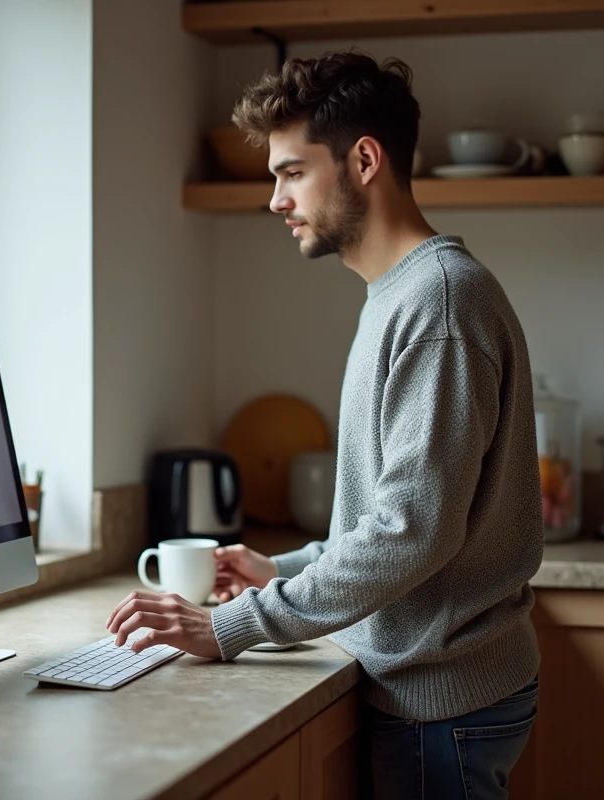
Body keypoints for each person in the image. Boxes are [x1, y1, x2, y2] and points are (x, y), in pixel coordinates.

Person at [105, 51, 543, 799]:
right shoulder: (401, 294)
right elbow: (396, 517)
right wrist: (285, 570)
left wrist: (233, 625)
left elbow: (413, 531)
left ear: (364, 160)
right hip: (435, 689)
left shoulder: (437, 303)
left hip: (442, 701)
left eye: (292, 172)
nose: (276, 199)